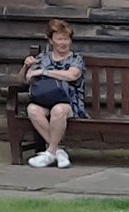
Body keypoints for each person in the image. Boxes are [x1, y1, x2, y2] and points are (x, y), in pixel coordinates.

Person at [22, 19, 85, 168]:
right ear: (51, 41)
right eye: (59, 39)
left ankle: (50, 152)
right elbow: (25, 80)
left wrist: (45, 72)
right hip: (45, 100)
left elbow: (72, 75)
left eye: (66, 38)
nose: (63, 43)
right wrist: (26, 67)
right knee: (32, 109)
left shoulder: (76, 59)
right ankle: (59, 152)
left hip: (70, 102)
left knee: (58, 110)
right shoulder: (43, 58)